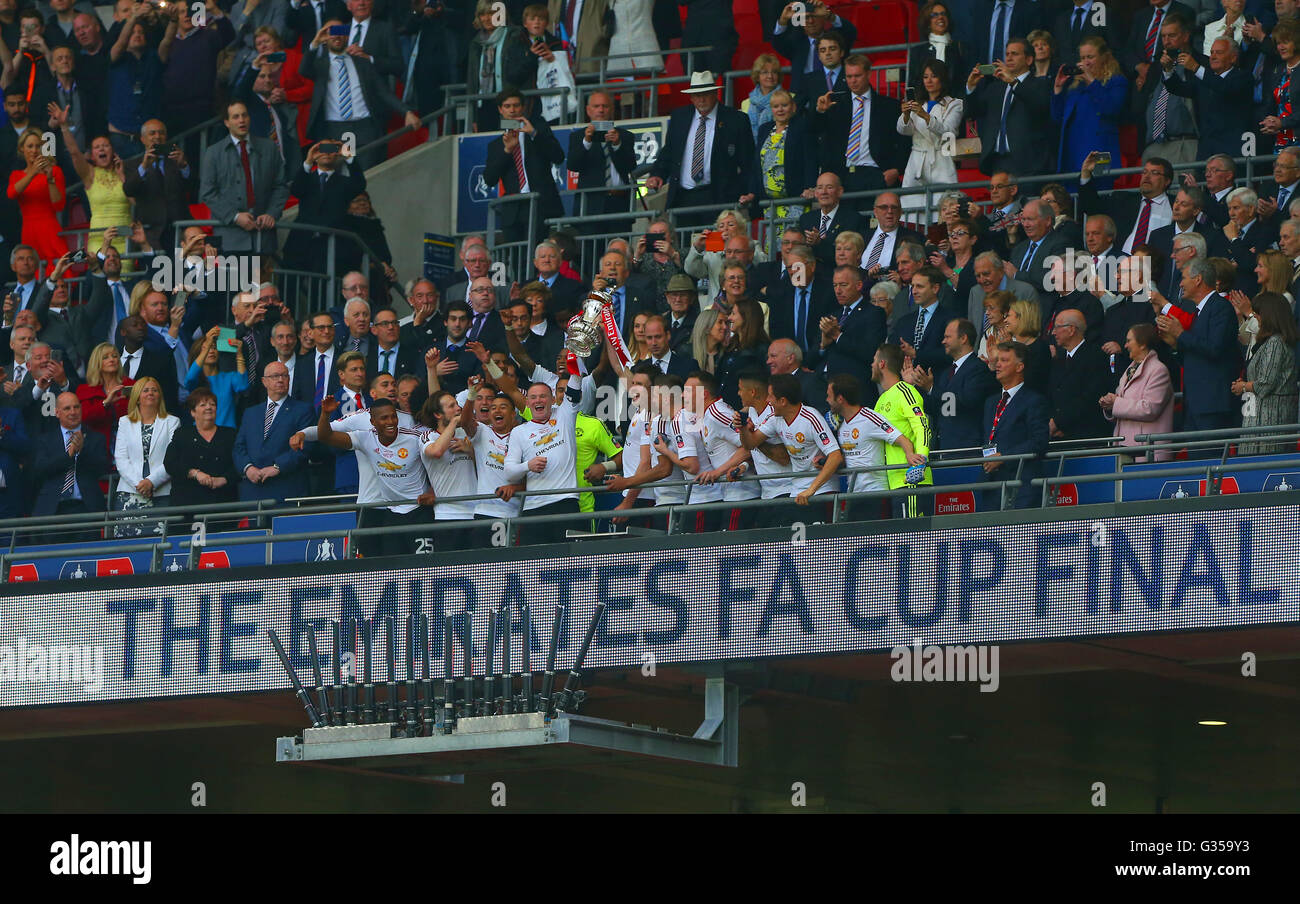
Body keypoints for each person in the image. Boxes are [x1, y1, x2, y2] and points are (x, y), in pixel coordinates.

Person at [299, 17, 419, 170]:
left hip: (365, 130)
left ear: (348, 35)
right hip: (332, 133)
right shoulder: (319, 66)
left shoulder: (362, 63)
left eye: (341, 31)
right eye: (331, 32)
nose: (336, 35)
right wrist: (315, 43)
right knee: (336, 181)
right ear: (324, 37)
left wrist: (406, 112)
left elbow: (383, 91)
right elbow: (303, 70)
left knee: (367, 178)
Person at [318, 395, 429, 556]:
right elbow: (325, 436)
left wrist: (432, 491)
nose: (390, 422)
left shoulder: (415, 437)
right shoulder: (365, 438)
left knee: (425, 567)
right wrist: (325, 415)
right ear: (372, 422)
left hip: (419, 511)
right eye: (384, 418)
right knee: (391, 567)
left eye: (393, 416)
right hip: (392, 513)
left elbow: (438, 462)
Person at [645, 71, 758, 226]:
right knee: (685, 246)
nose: (701, 99)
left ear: (715, 93)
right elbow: (670, 152)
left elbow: (748, 161)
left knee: (715, 247)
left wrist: (749, 190)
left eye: (705, 94)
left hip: (718, 197)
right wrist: (657, 174)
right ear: (691, 97)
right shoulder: (680, 117)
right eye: (697, 95)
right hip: (683, 197)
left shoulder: (736, 119)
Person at [502, 364, 586, 545]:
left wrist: (579, 356)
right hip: (534, 507)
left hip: (565, 502)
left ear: (553, 399)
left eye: (543, 396)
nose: (538, 400)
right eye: (533, 397)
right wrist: (527, 466)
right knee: (533, 565)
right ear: (527, 402)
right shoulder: (519, 431)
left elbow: (575, 384)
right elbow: (509, 472)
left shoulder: (565, 414)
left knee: (571, 564)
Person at [1155, 257, 1239, 432]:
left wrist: (1181, 334)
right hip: (1195, 404)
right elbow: (1195, 354)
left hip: (1212, 404)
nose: (1180, 284)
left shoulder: (1220, 307)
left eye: (1184, 278)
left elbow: (1215, 348)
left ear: (1198, 279)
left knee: (1208, 456)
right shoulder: (1200, 311)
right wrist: (1175, 344)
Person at [740, 372, 841, 514]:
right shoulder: (776, 419)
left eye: (770, 396)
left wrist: (811, 489)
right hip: (797, 492)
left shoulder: (811, 418)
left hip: (821, 492)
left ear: (782, 401)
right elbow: (751, 444)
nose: (768, 400)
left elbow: (836, 456)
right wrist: (743, 428)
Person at [812, 53, 908, 198]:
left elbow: (904, 141)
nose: (853, 81)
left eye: (857, 76)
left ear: (868, 74)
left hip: (877, 174)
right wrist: (820, 112)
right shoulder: (834, 105)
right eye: (849, 77)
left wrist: (896, 170)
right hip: (841, 176)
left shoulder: (889, 106)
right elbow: (816, 132)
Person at [482, 88, 566, 246]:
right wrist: (507, 150)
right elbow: (489, 179)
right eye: (507, 106)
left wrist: (534, 134)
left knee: (536, 253)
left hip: (539, 205)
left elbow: (558, 157)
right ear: (500, 110)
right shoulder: (496, 145)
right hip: (513, 210)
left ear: (523, 107)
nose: (512, 110)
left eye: (516, 105)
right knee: (515, 259)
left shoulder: (539, 129)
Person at [964, 37, 1052, 177]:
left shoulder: (1040, 84)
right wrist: (971, 88)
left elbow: (1040, 107)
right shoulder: (995, 88)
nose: (1009, 58)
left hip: (1028, 164)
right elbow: (973, 112)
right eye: (1007, 54)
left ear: (1029, 60)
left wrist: (1014, 82)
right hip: (997, 162)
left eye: (1015, 54)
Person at [49, 105, 129, 257]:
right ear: (92, 155)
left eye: (106, 146)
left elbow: (135, 203)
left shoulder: (124, 172)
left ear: (112, 151)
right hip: (99, 238)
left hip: (124, 239)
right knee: (98, 276)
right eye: (97, 147)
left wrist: (123, 177)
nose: (102, 149)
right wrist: (64, 126)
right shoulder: (89, 174)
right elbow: (74, 152)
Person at [910, 317, 999, 453]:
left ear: (963, 338)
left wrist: (932, 388)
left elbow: (965, 401)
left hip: (967, 447)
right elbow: (938, 409)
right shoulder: (946, 373)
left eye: (947, 337)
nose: (943, 341)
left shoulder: (978, 368)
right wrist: (915, 385)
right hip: (944, 446)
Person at [233, 360, 314, 502]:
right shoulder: (250, 413)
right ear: (264, 381)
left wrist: (277, 467)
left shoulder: (303, 410)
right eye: (275, 376)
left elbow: (305, 446)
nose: (281, 380)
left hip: (287, 488)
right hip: (253, 491)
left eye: (285, 376)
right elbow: (239, 447)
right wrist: (248, 468)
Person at [982, 340, 1049, 509]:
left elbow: (1039, 441)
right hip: (991, 486)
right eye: (998, 360)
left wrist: (1004, 457)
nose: (998, 365)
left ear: (1019, 367)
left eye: (1004, 361)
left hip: (1021, 486)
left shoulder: (1034, 401)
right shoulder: (991, 402)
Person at [29, 392, 109, 527]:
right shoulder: (45, 440)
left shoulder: (96, 438)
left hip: (87, 508)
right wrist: (69, 455)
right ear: (57, 412)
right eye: (67, 408)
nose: (73, 412)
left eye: (76, 407)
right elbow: (40, 470)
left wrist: (82, 451)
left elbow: (101, 468)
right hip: (52, 509)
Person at [898, 60, 963, 224]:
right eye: (926, 77)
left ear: (942, 79)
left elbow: (949, 131)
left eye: (934, 76)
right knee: (911, 209)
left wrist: (926, 116)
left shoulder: (954, 103)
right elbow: (902, 130)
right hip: (916, 160)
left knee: (943, 209)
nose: (929, 80)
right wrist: (906, 115)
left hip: (941, 158)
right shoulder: (917, 103)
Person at [112, 377, 179, 535]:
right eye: (146, 390)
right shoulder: (125, 422)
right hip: (129, 493)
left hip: (161, 493)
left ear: (160, 396)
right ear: (137, 396)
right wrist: (140, 485)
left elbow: (172, 457)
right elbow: (121, 458)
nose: (151, 393)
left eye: (154, 390)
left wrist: (151, 482)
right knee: (127, 547)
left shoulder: (172, 422)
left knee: (159, 544)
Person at [1235, 292, 1299, 453]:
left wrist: (1243, 386)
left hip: (1269, 424)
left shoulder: (1275, 343)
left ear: (1270, 316)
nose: (1255, 317)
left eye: (1257, 314)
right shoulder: (1271, 342)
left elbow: (1266, 383)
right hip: (1261, 420)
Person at [1099, 323, 1173, 460]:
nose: (1125, 345)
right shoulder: (1129, 370)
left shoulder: (1158, 370)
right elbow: (1121, 404)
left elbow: (1149, 409)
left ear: (1143, 344)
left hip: (1148, 454)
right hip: (1126, 450)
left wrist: (1116, 403)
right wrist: (1109, 405)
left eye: (1129, 341)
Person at [807, 265, 886, 389]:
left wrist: (838, 336)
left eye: (843, 285)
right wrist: (823, 345)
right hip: (821, 386)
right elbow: (809, 361)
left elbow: (870, 352)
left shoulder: (874, 313)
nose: (838, 291)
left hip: (853, 388)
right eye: (835, 285)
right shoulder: (832, 316)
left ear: (859, 285)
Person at [164, 386, 239, 514]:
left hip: (222, 504)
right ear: (193, 412)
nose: (209, 407)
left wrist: (224, 479)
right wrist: (194, 473)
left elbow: (239, 463)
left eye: (212, 404)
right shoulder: (182, 434)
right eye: (203, 405)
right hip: (187, 505)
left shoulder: (230, 435)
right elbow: (170, 463)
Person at [566, 91, 637, 225]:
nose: (601, 110)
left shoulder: (625, 136)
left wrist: (617, 144)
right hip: (590, 205)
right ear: (588, 110)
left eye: (605, 106)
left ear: (612, 109)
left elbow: (631, 165)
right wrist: (587, 141)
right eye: (596, 106)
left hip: (619, 204)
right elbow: (572, 165)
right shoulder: (578, 137)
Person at [1046, 308, 1112, 442]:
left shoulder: (1096, 357)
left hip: (1084, 438)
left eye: (1057, 327)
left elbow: (1090, 398)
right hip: (1058, 437)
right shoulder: (1058, 359)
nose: (1053, 332)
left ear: (1071, 330)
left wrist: (1059, 423)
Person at [466, 0, 533, 132]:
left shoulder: (514, 35)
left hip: (510, 105)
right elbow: (471, 80)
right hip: (483, 105)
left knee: (510, 139)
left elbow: (525, 70)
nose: (486, 18)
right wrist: (472, 117)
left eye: (491, 13)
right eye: (482, 14)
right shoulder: (476, 43)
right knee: (489, 144)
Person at [7, 129, 66, 272]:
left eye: (38, 146)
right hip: (29, 231)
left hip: (50, 229)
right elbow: (11, 193)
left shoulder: (55, 171)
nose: (34, 150)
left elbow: (59, 205)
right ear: (22, 149)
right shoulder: (16, 175)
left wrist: (50, 179)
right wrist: (32, 172)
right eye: (30, 146)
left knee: (60, 269)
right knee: (32, 270)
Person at [757, 89, 815, 222]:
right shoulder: (764, 129)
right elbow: (757, 163)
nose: (780, 110)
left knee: (793, 240)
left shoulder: (801, 127)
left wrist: (810, 187)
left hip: (796, 198)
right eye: (776, 106)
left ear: (793, 107)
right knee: (771, 241)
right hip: (770, 203)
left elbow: (810, 159)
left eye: (784, 105)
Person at [184, 327, 249, 428]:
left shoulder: (228, 377)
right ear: (199, 354)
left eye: (214, 347)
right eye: (206, 348)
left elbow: (243, 386)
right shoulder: (196, 381)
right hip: (201, 435)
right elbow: (189, 379)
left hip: (226, 435)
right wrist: (208, 341)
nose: (211, 351)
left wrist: (239, 354)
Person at [76, 342, 132, 451]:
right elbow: (83, 417)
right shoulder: (84, 389)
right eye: (105, 357)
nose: (112, 359)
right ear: (96, 363)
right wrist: (105, 403)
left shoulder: (131, 385)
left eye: (115, 356)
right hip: (96, 447)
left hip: (128, 444)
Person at [714, 297, 768, 408]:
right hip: (723, 410)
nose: (729, 318)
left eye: (733, 314)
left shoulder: (762, 349)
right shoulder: (731, 346)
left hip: (745, 413)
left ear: (746, 316)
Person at [909, 2, 968, 88]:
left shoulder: (960, 48)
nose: (940, 17)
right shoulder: (917, 52)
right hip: (927, 100)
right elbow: (914, 83)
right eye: (934, 15)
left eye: (943, 14)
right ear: (928, 22)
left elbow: (964, 81)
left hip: (954, 100)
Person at [1003, 297, 1049, 395]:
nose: (1005, 320)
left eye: (1008, 316)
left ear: (1021, 317)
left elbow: (1030, 383)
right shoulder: (1014, 346)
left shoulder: (1040, 349)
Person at [743, 53, 786, 140]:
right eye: (765, 72)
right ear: (757, 76)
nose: (770, 76)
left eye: (774, 72)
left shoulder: (789, 98)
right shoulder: (746, 103)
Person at [692, 307, 727, 375]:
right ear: (707, 326)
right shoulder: (686, 353)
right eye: (720, 322)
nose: (725, 327)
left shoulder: (726, 355)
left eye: (725, 323)